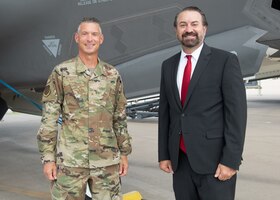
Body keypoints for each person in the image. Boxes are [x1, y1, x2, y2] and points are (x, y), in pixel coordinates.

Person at [37, 17, 132, 200]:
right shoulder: (61, 73)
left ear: (101, 39)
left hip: (106, 161)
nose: (90, 39)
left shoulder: (112, 75)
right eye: (85, 34)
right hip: (71, 162)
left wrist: (124, 153)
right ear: (77, 38)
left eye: (94, 34)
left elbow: (119, 118)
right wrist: (48, 158)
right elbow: (49, 119)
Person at [158, 6, 247, 200]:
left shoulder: (225, 61)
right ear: (176, 30)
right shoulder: (168, 65)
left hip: (215, 163)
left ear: (204, 29)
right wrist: (164, 154)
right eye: (183, 25)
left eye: (194, 24)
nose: (189, 29)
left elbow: (236, 115)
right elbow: (165, 113)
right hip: (180, 162)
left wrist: (231, 161)